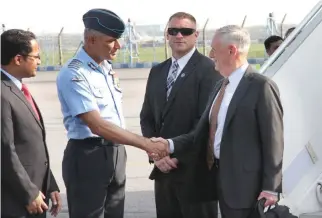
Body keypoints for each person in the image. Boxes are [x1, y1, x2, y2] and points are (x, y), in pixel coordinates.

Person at [152, 25, 284, 218]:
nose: (211, 54)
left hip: (247, 188)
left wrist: (271, 188)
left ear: (232, 50)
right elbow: (200, 134)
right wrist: (168, 144)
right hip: (218, 181)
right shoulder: (220, 86)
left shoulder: (261, 86)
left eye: (214, 49)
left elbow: (274, 141)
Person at [56, 9, 168, 218]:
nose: (119, 46)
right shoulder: (75, 73)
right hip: (89, 156)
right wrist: (146, 144)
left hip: (116, 153)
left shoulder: (105, 68)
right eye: (111, 40)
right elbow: (97, 125)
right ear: (91, 40)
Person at [140, 12, 222, 218]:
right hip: (164, 171)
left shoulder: (209, 69)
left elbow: (206, 123)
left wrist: (171, 152)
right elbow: (147, 117)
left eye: (185, 31)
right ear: (166, 35)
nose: (179, 36)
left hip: (196, 173)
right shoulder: (157, 71)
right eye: (173, 31)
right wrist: (157, 154)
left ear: (196, 35)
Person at [1, 29, 62, 218]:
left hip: (36, 193)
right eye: (36, 57)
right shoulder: (2, 94)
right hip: (16, 200)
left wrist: (49, 183)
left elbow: (31, 145)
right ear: (18, 59)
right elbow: (4, 150)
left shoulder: (16, 89)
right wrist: (28, 192)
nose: (39, 61)